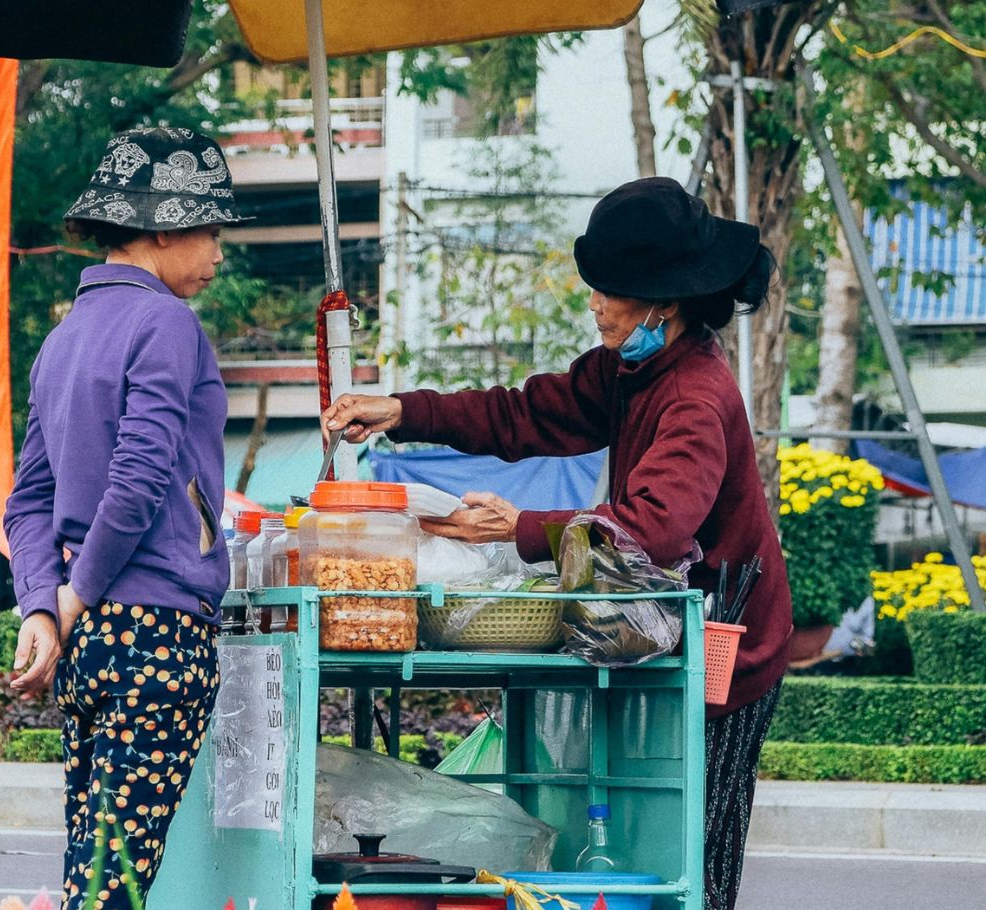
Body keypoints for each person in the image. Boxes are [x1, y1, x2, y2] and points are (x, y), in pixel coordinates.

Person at [322, 176, 791, 910]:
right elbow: (522, 415)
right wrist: (400, 410)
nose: (595, 305)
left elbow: (651, 527)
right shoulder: (632, 367)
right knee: (635, 832)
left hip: (727, 649)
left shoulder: (694, 394)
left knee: (696, 851)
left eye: (610, 292)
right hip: (650, 629)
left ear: (663, 303)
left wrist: (516, 529)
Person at [4, 127, 248, 910]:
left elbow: (27, 500)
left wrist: (43, 605)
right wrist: (69, 594)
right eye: (211, 232)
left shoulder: (61, 340)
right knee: (116, 877)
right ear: (164, 227)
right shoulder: (166, 323)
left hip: (89, 644)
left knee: (95, 855)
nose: (217, 253)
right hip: (158, 627)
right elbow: (140, 476)